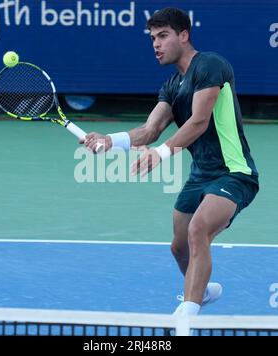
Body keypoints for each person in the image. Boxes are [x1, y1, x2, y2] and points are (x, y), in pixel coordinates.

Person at [83, 7, 259, 316]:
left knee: (198, 229)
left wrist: (161, 154)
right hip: (200, 175)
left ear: (184, 35)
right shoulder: (171, 87)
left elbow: (199, 122)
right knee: (179, 247)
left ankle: (186, 317)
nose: (156, 44)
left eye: (163, 36)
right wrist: (109, 142)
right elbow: (149, 130)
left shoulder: (210, 66)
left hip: (234, 173)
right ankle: (202, 293)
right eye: (153, 38)